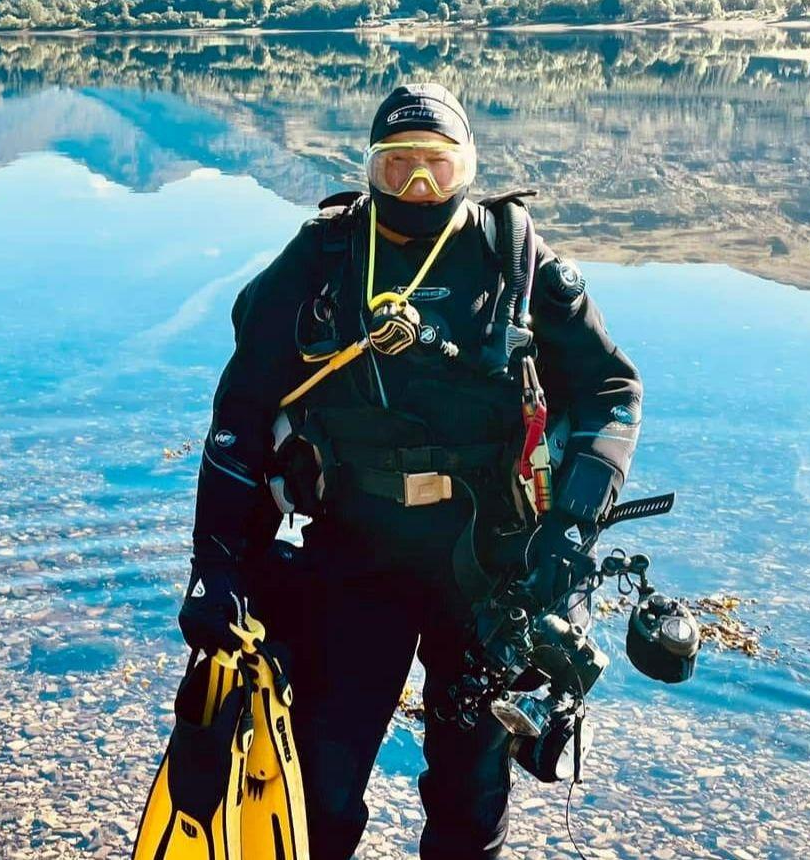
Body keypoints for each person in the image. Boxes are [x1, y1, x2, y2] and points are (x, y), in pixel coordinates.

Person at [175, 82, 642, 858]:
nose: (418, 187)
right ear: (369, 170)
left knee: (470, 794)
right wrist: (216, 566)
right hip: (358, 554)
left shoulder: (515, 262)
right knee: (321, 785)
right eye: (398, 168)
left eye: (436, 166)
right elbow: (241, 415)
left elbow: (610, 391)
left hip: (489, 567)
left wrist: (572, 523)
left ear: (468, 168)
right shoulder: (323, 259)